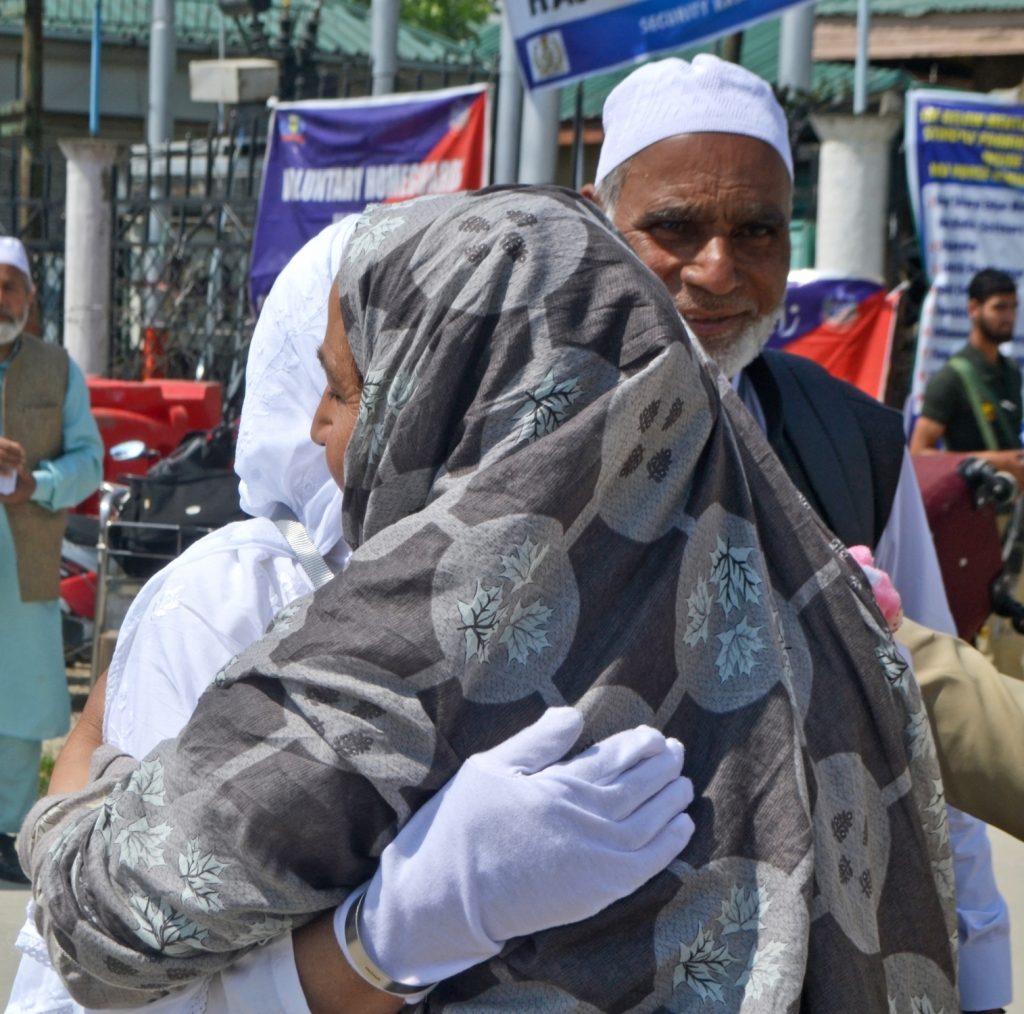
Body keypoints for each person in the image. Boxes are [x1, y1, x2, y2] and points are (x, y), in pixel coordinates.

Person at [19, 187, 957, 1011]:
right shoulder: (797, 607)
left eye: (349, 388)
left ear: (448, 396)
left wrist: (68, 796)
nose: (315, 424)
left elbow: (110, 924)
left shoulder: (386, 654)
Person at [7, 216, 695, 1014]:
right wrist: (396, 935)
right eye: (323, 379)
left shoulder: (603, 597)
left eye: (346, 385)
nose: (314, 424)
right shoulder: (245, 593)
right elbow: (106, 978)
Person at [579, 55, 1013, 1013]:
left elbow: (926, 741)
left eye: (757, 232)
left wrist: (979, 971)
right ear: (598, 224)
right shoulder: (515, 434)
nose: (717, 270)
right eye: (675, 228)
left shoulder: (852, 444)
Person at [0, 236, 103, 885]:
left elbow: (89, 460)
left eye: (9, 284)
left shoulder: (57, 367)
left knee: (18, 701)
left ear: (31, 297)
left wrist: (35, 481)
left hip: (24, 557)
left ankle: (6, 831)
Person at [910, 268, 1023, 476]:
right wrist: (994, 462)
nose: (1009, 317)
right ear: (974, 308)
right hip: (969, 501)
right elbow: (918, 453)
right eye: (999, 308)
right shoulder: (951, 378)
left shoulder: (1011, 372)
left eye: (1013, 307)